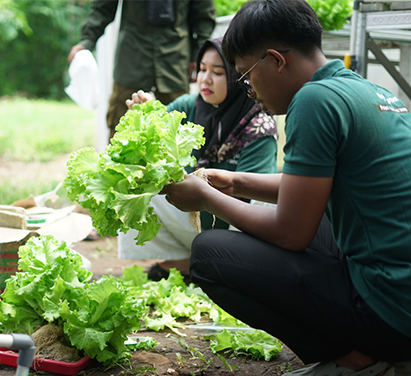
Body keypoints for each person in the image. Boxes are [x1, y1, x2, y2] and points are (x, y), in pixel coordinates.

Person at [161, 0, 411, 375]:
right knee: (315, 218)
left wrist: (206, 197)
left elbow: (292, 233)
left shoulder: (313, 100)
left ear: (276, 60)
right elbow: (310, 185)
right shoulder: (364, 90)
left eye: (246, 77)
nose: (248, 91)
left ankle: (359, 361)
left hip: (391, 312)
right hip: (402, 292)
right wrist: (235, 181)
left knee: (210, 255)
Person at [118, 37, 278, 281]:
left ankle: (218, 265)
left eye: (218, 72)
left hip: (235, 223)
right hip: (195, 213)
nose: (205, 79)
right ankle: (189, 261)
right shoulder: (189, 106)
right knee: (134, 182)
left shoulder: (258, 125)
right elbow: (156, 131)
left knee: (266, 204)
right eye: (202, 69)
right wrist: (147, 114)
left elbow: (252, 198)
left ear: (238, 77)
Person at [68, 0, 216, 139]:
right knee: (121, 128)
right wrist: (86, 41)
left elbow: (203, 16)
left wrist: (198, 55)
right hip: (132, 55)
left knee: (178, 130)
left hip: (175, 58)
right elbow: (103, 8)